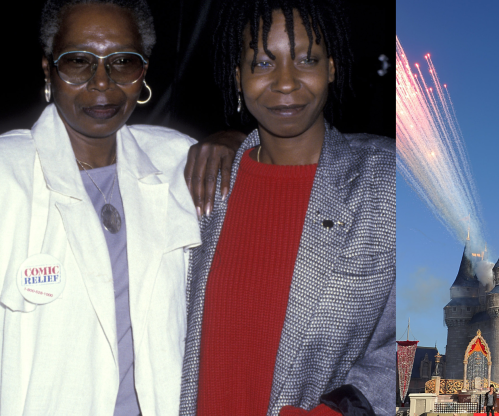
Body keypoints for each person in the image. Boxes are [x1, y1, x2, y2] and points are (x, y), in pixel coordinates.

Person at [0, 0, 239, 414]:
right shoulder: (8, 174)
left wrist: (238, 141)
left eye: (122, 62)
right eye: (78, 61)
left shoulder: (176, 163)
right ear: (48, 69)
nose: (101, 83)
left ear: (143, 71)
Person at [178, 1, 395, 416]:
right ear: (237, 77)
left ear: (331, 68)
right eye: (262, 63)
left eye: (306, 60)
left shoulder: (386, 180)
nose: (286, 82)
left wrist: (339, 411)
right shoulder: (203, 188)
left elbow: (423, 329)